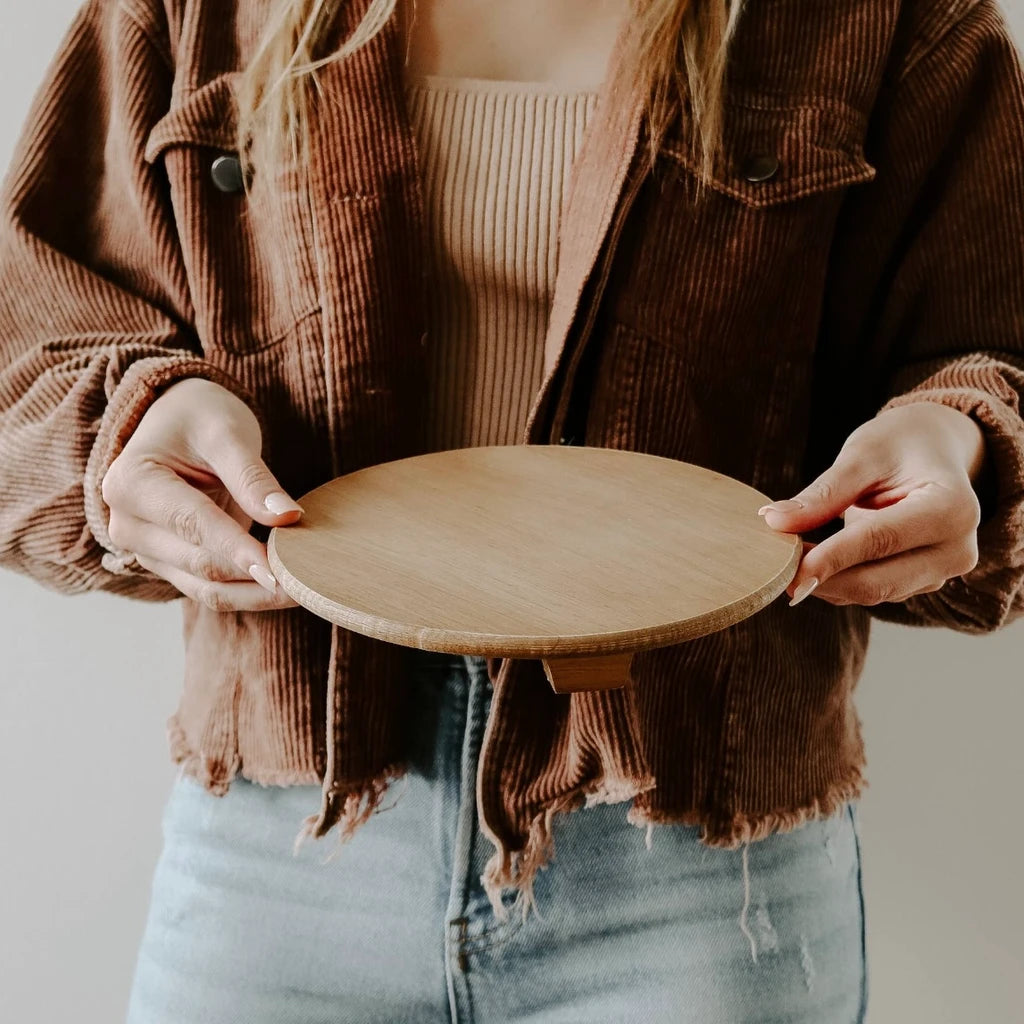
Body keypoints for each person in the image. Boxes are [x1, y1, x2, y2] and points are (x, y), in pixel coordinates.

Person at [1, 0, 1023, 1020]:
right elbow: (29, 336)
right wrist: (133, 420)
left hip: (697, 852)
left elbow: (988, 347)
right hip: (287, 822)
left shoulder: (882, 20)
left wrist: (960, 435)